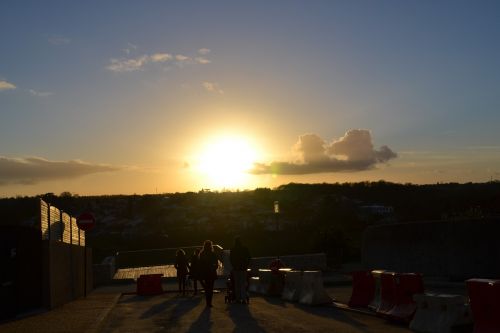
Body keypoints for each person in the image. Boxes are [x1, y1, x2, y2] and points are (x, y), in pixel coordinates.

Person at [230, 236, 251, 303]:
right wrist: (246, 265)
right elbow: (249, 257)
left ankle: (238, 299)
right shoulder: (245, 248)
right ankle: (244, 298)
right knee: (243, 283)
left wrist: (234, 266)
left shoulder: (233, 249)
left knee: (237, 284)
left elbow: (231, 259)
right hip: (243, 268)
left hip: (236, 269)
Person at [198, 240, 219, 307]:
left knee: (207, 288)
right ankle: (209, 302)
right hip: (211, 272)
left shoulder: (202, 254)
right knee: (211, 287)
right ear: (211, 246)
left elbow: (200, 265)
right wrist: (213, 268)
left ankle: (208, 302)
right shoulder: (213, 254)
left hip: (205, 273)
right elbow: (216, 264)